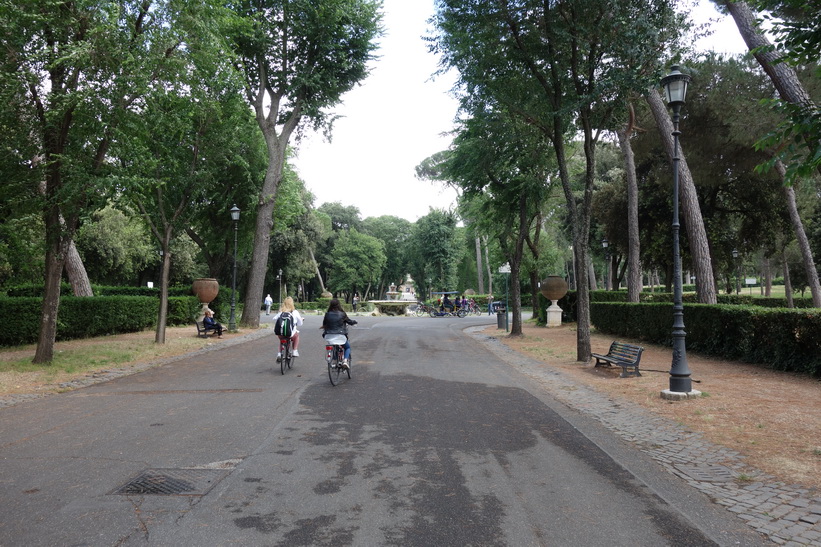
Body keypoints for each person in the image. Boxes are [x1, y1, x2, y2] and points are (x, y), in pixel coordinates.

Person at [321, 298, 357, 368]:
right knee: (347, 347)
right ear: (339, 305)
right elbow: (349, 321)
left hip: (328, 335)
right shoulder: (342, 314)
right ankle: (345, 361)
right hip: (340, 335)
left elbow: (324, 324)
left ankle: (334, 360)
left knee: (333, 345)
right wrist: (354, 322)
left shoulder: (327, 314)